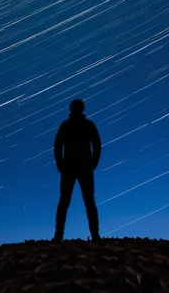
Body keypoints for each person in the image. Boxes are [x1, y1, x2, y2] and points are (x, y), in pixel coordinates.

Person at [53, 98, 102, 243]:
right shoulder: (86, 125)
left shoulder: (67, 125)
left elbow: (57, 145)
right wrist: (93, 162)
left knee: (67, 201)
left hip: (73, 167)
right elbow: (97, 145)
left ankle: (59, 235)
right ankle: (94, 235)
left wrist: (60, 163)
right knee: (86, 202)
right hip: (79, 167)